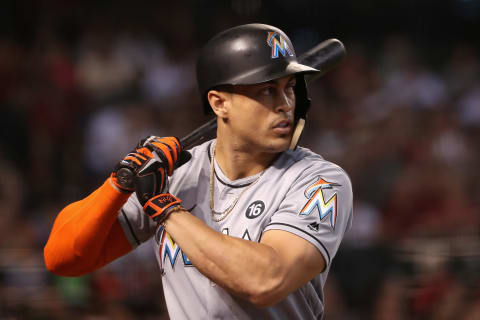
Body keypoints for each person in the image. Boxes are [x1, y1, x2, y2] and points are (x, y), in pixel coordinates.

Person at [44, 23, 353, 319]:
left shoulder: (320, 181)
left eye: (289, 89)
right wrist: (120, 182)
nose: (286, 104)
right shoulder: (175, 175)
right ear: (219, 103)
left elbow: (266, 281)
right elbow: (63, 258)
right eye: (266, 91)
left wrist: (165, 210)